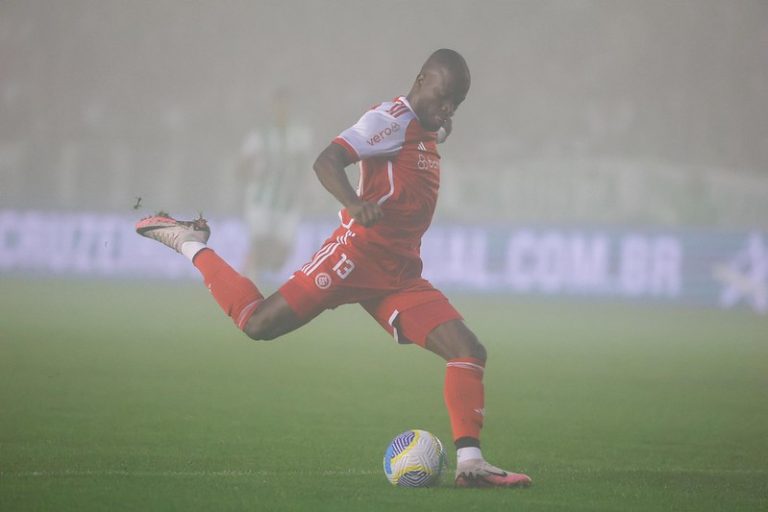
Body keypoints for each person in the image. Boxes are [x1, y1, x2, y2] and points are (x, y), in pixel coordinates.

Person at [136, 49, 532, 488]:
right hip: (355, 256)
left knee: (468, 350)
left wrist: (438, 120)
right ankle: (188, 242)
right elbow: (327, 159)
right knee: (257, 323)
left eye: (456, 102)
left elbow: (425, 136)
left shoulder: (427, 125)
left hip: (399, 273)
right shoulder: (389, 120)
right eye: (443, 96)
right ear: (420, 79)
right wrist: (353, 203)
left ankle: (470, 465)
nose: (448, 108)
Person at [238, 87, 314, 280]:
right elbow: (241, 167)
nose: (282, 108)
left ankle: (253, 269)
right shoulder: (260, 135)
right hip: (260, 199)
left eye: (285, 104)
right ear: (272, 107)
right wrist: (252, 173)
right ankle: (246, 282)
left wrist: (309, 190)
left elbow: (305, 166)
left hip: (289, 201)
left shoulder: (299, 135)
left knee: (280, 257)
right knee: (259, 244)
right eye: (278, 104)